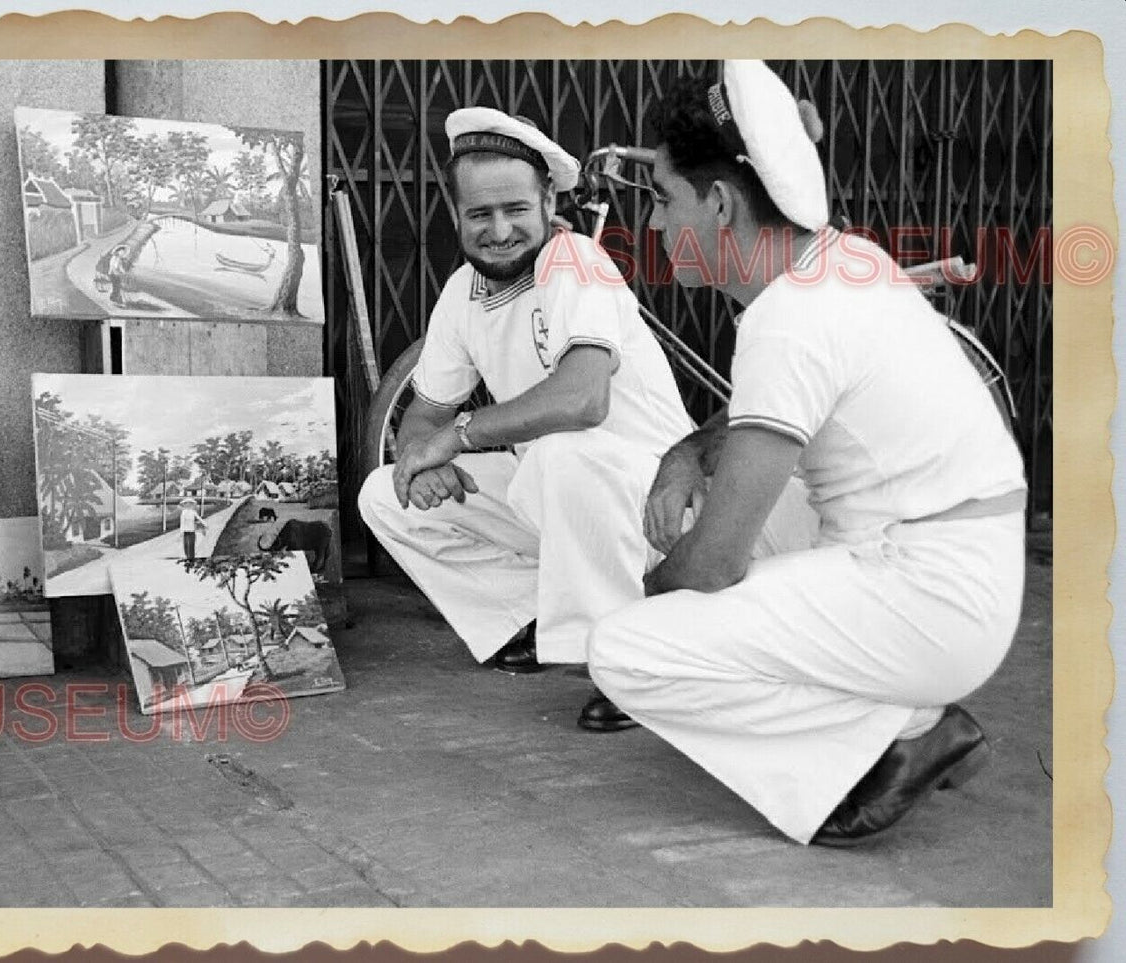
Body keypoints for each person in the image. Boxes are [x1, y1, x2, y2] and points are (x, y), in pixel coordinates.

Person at [586, 61, 1027, 845]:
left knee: (624, 652)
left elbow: (713, 563)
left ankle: (899, 731)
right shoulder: (840, 264)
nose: (651, 227)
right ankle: (906, 704)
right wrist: (689, 450)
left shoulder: (786, 317)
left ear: (718, 204)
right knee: (727, 523)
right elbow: (782, 412)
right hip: (952, 572)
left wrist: (659, 596)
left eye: (662, 200)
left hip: (929, 592)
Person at [357, 107, 696, 730]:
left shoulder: (575, 264)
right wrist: (416, 458)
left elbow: (581, 400)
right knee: (385, 494)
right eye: (479, 214)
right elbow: (426, 410)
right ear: (455, 216)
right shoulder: (463, 291)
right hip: (558, 500)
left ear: (546, 201)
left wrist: (455, 440)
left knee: (563, 451)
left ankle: (630, 667)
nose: (500, 229)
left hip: (653, 508)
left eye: (516, 208)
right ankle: (527, 622)